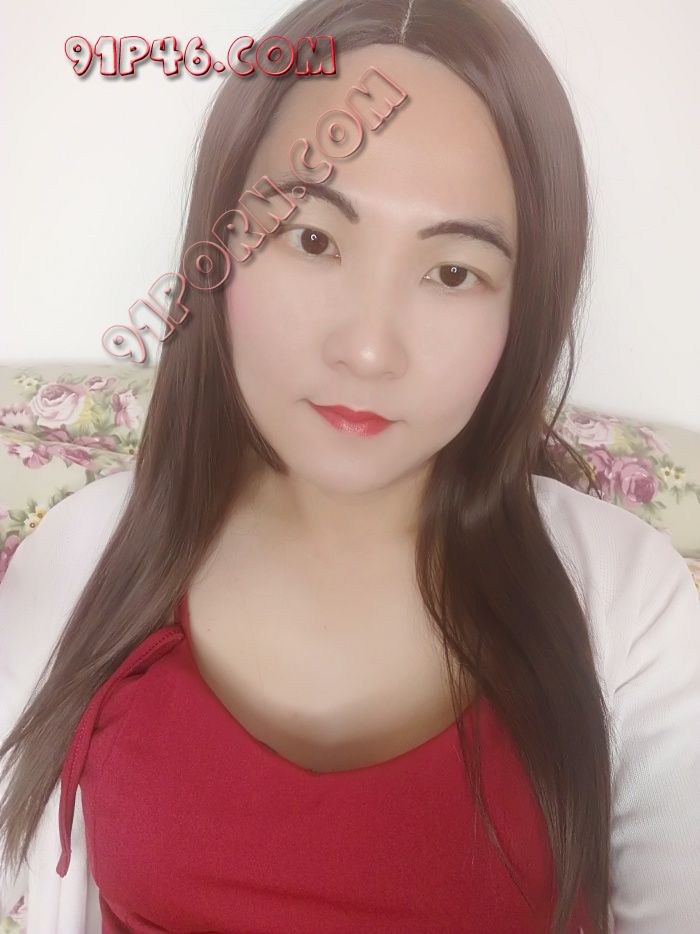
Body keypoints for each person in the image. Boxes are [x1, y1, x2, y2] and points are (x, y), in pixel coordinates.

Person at [2, 0, 700, 931]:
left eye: (453, 272)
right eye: (313, 238)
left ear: (522, 311)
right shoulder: (79, 561)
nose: (369, 351)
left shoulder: (631, 607)